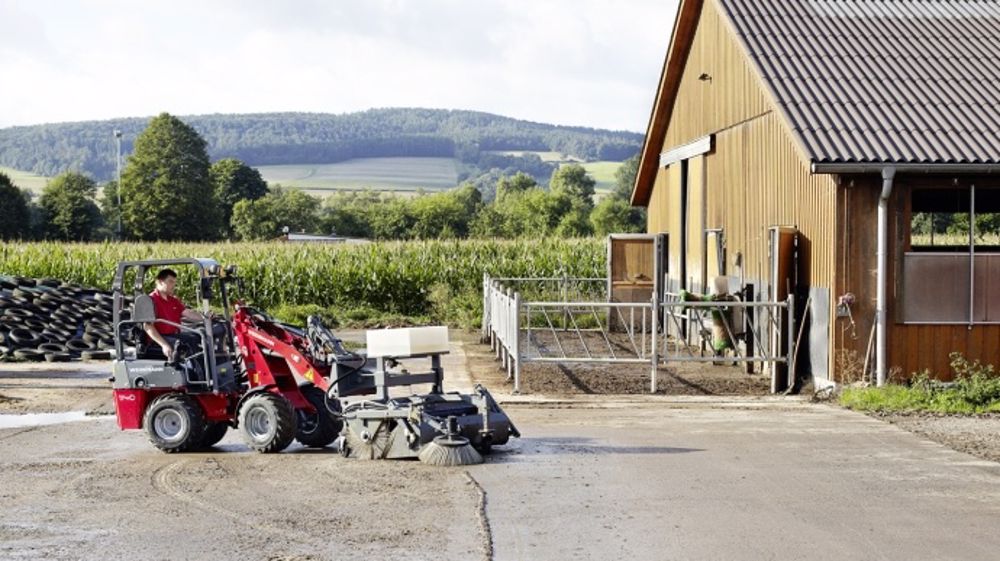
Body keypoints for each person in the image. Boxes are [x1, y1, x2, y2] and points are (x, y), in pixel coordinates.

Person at [144, 268, 211, 361]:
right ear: (160, 282)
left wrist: (205, 317)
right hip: (160, 339)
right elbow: (148, 327)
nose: (173, 285)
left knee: (197, 337)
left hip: (173, 335)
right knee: (185, 345)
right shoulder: (150, 300)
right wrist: (164, 345)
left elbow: (188, 313)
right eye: (170, 281)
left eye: (174, 282)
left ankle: (205, 370)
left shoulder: (173, 300)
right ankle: (194, 372)